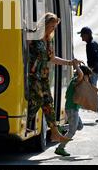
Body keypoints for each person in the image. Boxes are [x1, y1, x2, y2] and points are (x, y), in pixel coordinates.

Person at [28, 12, 77, 143]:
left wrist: (70, 62)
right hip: (32, 75)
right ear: (45, 24)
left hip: (43, 76)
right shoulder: (33, 35)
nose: (53, 29)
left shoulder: (49, 39)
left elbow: (53, 58)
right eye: (52, 26)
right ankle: (25, 121)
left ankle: (55, 133)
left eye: (55, 27)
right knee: (38, 100)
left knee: (49, 103)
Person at [55, 61, 92, 157]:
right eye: (88, 76)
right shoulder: (78, 80)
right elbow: (80, 74)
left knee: (79, 126)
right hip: (72, 109)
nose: (88, 79)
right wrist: (75, 64)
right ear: (84, 75)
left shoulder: (76, 81)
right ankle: (60, 148)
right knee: (72, 131)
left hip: (73, 108)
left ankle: (61, 128)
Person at [78, 26, 98, 123]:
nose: (81, 37)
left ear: (87, 35)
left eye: (82, 35)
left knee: (93, 92)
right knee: (92, 92)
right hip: (95, 71)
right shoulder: (91, 44)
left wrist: (90, 70)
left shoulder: (91, 45)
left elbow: (97, 58)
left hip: (94, 72)